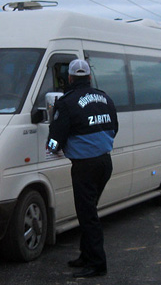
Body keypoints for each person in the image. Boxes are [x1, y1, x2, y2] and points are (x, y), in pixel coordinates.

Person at [47, 59, 118, 278]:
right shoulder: (105, 97)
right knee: (89, 212)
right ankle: (86, 256)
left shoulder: (66, 103)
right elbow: (114, 128)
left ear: (69, 78)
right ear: (88, 77)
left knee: (88, 215)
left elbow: (55, 137)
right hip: (104, 163)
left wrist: (50, 148)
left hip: (85, 166)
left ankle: (97, 264)